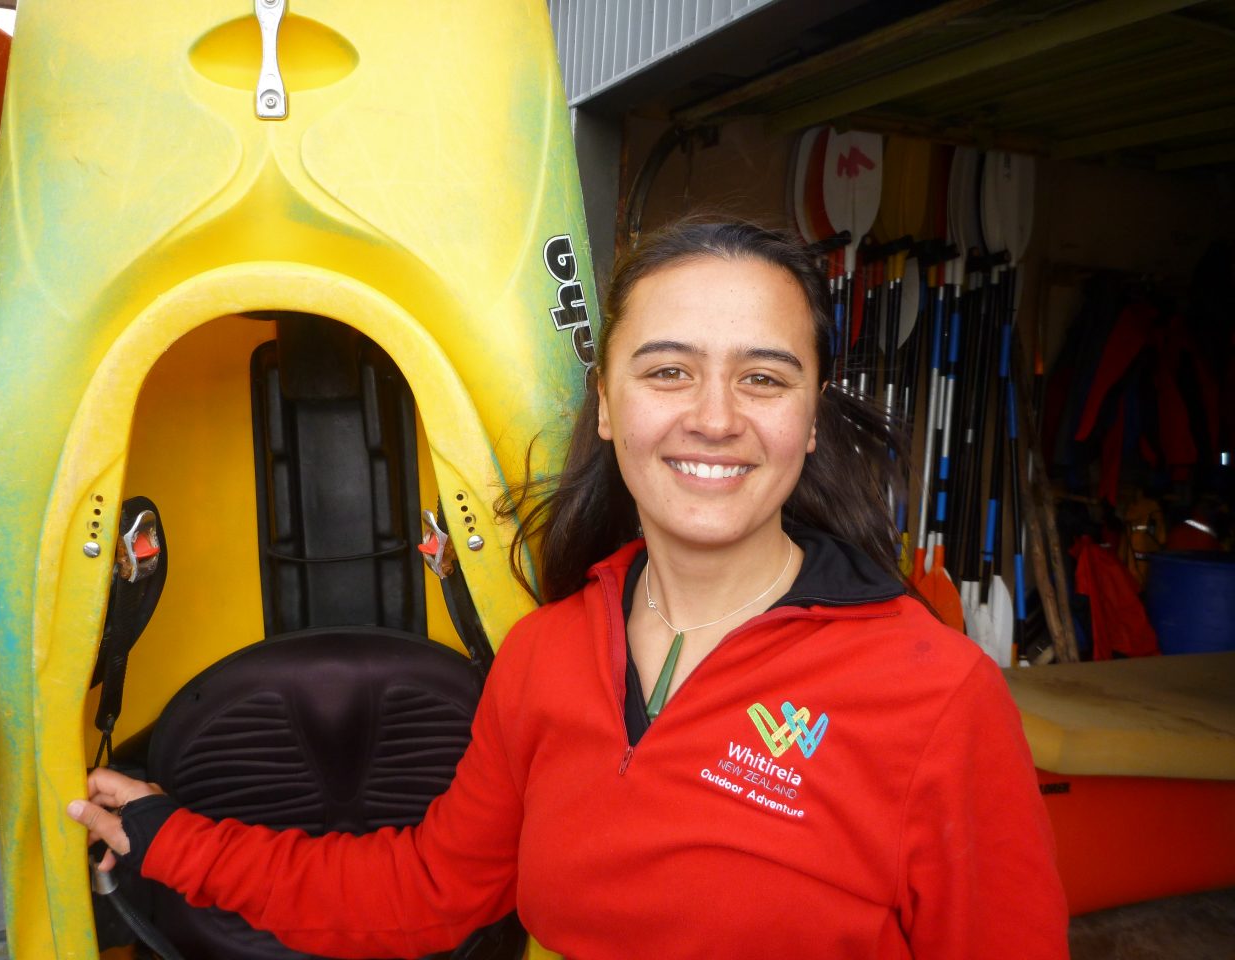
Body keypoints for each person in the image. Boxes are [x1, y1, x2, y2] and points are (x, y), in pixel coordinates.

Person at [69, 220, 1069, 958]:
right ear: (606, 406)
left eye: (763, 379)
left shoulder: (934, 692)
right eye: (667, 371)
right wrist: (171, 840)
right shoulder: (547, 653)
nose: (714, 417)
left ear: (809, 421)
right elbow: (424, 889)